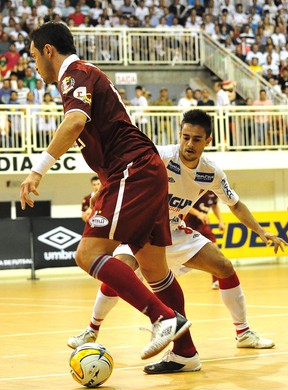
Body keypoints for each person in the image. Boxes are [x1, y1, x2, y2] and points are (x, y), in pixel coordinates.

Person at [19, 22, 192, 361]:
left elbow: (74, 123)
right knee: (155, 270)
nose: (34, 63)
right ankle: (186, 352)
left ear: (48, 51)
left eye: (34, 56)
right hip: (140, 170)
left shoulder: (75, 73)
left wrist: (37, 170)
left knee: (86, 254)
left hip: (132, 169)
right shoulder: (81, 76)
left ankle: (162, 317)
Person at [67, 109, 288, 374]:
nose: (189, 144)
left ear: (208, 141)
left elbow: (236, 204)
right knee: (119, 269)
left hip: (174, 232)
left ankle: (243, 333)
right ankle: (91, 330)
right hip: (142, 230)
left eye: (196, 139)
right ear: (179, 136)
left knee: (224, 267)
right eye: (185, 137)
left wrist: (262, 232)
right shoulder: (159, 157)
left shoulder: (212, 172)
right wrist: (102, 193)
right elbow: (121, 174)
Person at [184, 191, 225, 289]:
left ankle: (216, 281)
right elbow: (185, 205)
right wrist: (198, 214)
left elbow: (215, 206)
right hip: (188, 226)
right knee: (181, 257)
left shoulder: (213, 192)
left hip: (203, 226)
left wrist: (221, 221)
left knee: (215, 252)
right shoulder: (195, 188)